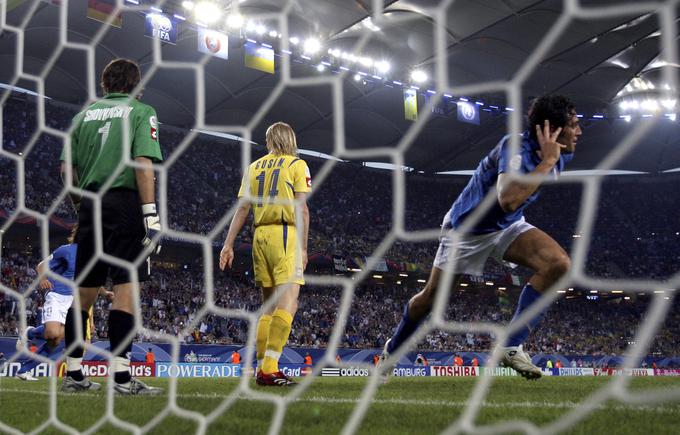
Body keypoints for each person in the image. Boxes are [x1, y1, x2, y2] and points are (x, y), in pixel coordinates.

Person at [380, 94, 581, 380]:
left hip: (507, 226)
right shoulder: (515, 147)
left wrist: (548, 161)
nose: (580, 131)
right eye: (574, 125)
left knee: (558, 264)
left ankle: (511, 344)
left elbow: (512, 208)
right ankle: (393, 350)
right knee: (430, 300)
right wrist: (546, 163)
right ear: (554, 130)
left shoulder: (564, 153)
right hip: (467, 231)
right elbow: (509, 198)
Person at [60, 58, 163, 395]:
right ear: (134, 84)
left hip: (91, 205)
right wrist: (150, 214)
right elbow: (143, 164)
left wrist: (81, 207)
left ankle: (73, 373)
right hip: (124, 206)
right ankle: (120, 377)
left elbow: (67, 172)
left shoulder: (80, 117)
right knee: (125, 288)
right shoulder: (140, 111)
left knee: (84, 293)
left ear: (104, 84)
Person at [220, 122, 311, 387]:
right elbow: (301, 209)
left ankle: (262, 367)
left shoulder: (254, 167)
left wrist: (228, 244)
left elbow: (243, 208)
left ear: (270, 140)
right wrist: (304, 248)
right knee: (290, 302)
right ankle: (270, 368)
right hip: (285, 235)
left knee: (269, 305)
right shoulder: (297, 164)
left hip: (259, 236)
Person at [15, 227, 113, 381]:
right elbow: (41, 265)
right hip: (57, 296)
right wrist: (42, 279)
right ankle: (31, 333)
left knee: (56, 340)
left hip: (74, 302)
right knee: (52, 334)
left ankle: (24, 369)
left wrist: (105, 293)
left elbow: (91, 281)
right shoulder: (66, 250)